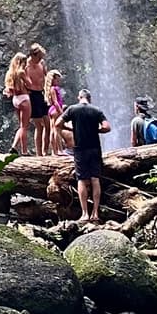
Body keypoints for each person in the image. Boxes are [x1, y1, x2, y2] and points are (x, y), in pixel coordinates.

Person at [60, 89, 112, 224]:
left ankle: (84, 214)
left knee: (82, 180)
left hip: (80, 149)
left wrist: (72, 129)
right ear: (90, 98)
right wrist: (97, 130)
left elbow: (57, 124)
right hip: (95, 148)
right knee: (95, 179)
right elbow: (107, 127)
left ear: (79, 97)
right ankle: (95, 212)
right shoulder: (96, 110)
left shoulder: (72, 109)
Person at [24, 44, 52, 155]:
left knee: (48, 124)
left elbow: (46, 77)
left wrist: (48, 91)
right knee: (39, 125)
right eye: (39, 57)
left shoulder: (42, 63)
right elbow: (19, 79)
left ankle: (46, 151)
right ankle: (39, 153)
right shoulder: (25, 65)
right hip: (32, 95)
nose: (40, 59)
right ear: (33, 55)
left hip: (42, 93)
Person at [3, 52, 32, 153]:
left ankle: (14, 147)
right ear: (22, 62)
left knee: (21, 126)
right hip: (24, 98)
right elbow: (30, 84)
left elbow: (8, 89)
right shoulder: (21, 72)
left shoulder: (9, 73)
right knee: (24, 127)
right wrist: (27, 74)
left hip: (15, 99)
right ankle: (24, 151)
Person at [45, 69, 71, 152]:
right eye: (57, 79)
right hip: (56, 110)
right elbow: (55, 102)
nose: (58, 81)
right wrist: (61, 112)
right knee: (57, 130)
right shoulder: (54, 88)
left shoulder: (53, 88)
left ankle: (54, 151)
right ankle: (59, 150)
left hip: (53, 110)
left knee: (53, 130)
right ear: (53, 79)